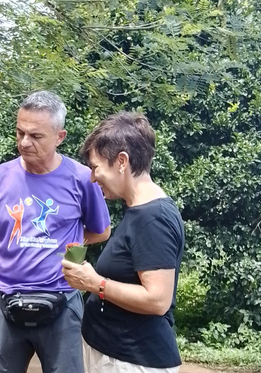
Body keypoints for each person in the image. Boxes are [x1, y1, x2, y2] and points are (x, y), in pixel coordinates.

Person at [0, 91, 112, 373]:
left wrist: (69, 249)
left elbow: (101, 231)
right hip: (5, 300)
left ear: (60, 136)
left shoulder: (82, 178)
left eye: (36, 136)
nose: (24, 142)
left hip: (62, 302)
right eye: (20, 132)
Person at [62, 112, 184, 373]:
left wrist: (96, 284)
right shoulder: (138, 210)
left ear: (121, 161)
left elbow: (157, 300)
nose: (93, 178)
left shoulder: (153, 219)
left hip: (131, 361)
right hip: (115, 355)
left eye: (95, 168)